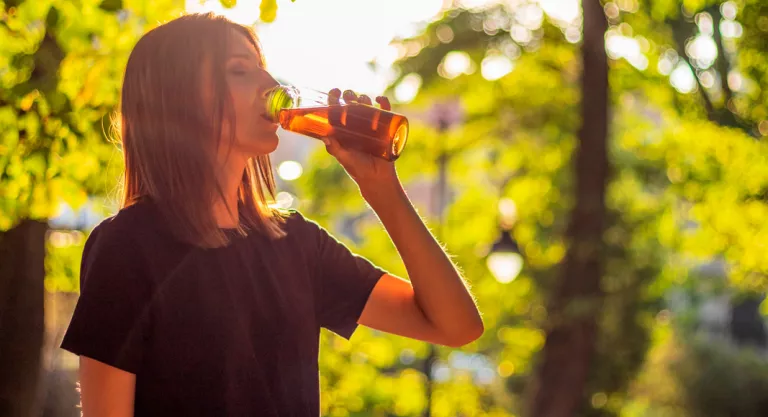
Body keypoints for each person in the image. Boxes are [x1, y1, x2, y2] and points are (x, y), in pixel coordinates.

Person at [60, 12, 483, 417]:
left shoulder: (296, 244)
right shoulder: (127, 246)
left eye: (264, 69)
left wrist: (382, 190)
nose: (270, 85)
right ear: (178, 96)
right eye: (240, 71)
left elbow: (456, 326)